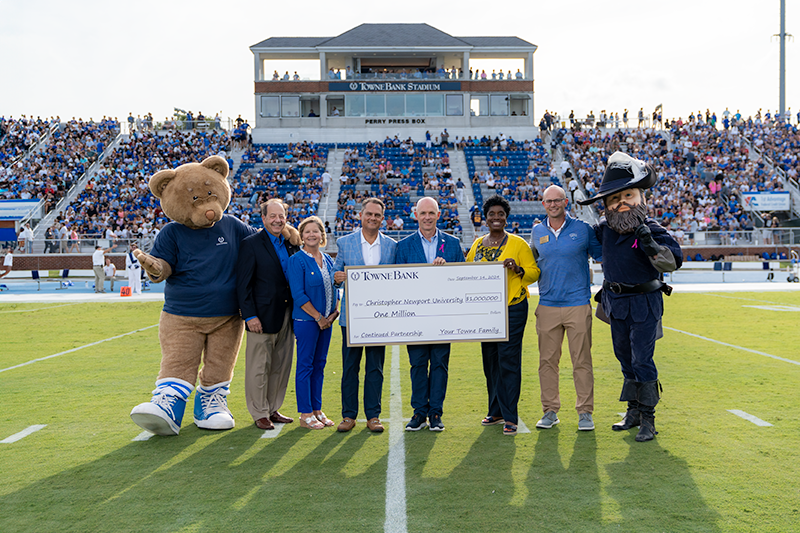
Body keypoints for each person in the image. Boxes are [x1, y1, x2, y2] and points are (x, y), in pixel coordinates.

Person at [578, 152, 682, 442]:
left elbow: (674, 261)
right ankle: (633, 412)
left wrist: (651, 245)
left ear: (640, 196)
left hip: (645, 305)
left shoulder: (654, 230)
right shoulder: (604, 231)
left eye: (628, 195)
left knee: (642, 360)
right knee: (624, 358)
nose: (622, 202)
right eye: (614, 199)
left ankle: (648, 419)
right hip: (615, 303)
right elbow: (582, 237)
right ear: (607, 205)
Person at [466, 195, 540, 436]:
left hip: (512, 309)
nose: (496, 218)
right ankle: (495, 411)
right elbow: (465, 272)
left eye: (500, 214)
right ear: (485, 218)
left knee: (508, 361)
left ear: (506, 217)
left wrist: (517, 269)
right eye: (491, 214)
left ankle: (510, 416)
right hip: (485, 312)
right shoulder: (477, 245)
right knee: (490, 362)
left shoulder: (518, 244)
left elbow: (533, 273)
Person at [530, 186, 603, 431]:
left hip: (578, 304)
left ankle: (585, 413)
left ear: (565, 202)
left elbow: (603, 255)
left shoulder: (583, 229)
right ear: (543, 204)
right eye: (548, 201)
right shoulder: (537, 231)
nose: (552, 204)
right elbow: (534, 264)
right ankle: (550, 411)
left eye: (557, 200)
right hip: (548, 305)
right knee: (547, 362)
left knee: (581, 361)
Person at [395, 198, 465, 431]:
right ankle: (418, 413)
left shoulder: (453, 244)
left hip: (443, 317)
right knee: (417, 365)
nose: (427, 217)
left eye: (431, 213)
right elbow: (396, 282)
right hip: (414, 317)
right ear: (416, 215)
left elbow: (462, 280)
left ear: (438, 214)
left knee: (439, 365)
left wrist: (448, 272)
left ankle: (435, 413)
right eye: (423, 213)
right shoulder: (403, 246)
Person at [332, 198, 397, 433]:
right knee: (350, 367)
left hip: (379, 318)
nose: (372, 218)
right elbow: (334, 272)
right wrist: (337, 277)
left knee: (375, 368)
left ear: (383, 219)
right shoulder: (345, 242)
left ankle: (373, 415)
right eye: (369, 214)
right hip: (352, 318)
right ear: (361, 215)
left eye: (377, 215)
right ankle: (348, 415)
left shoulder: (391, 246)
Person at [236, 199, 300, 430]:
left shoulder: (292, 243)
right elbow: (243, 285)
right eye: (272, 216)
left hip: (288, 314)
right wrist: (249, 316)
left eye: (281, 216)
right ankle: (259, 412)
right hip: (260, 317)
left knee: (280, 365)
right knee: (258, 366)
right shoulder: (251, 244)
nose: (277, 220)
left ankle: (273, 408)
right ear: (263, 219)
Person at [287, 216, 340, 429]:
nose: (311, 235)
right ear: (301, 236)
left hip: (327, 322)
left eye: (315, 231)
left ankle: (317, 410)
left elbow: (336, 287)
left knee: (320, 365)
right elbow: (298, 295)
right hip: (307, 321)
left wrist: (334, 313)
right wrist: (318, 317)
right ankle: (305, 413)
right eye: (307, 231)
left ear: (322, 235)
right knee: (305, 366)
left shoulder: (328, 260)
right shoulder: (296, 260)